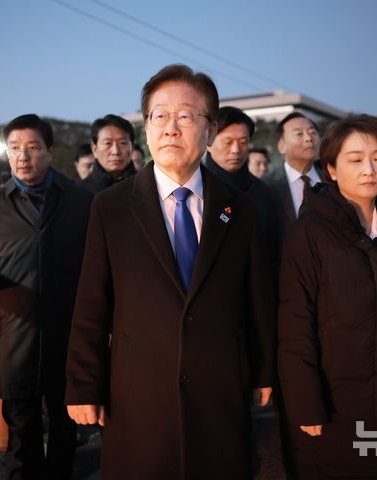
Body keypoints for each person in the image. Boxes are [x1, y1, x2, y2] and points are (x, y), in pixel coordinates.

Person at [65, 64, 275, 480]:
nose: (170, 128)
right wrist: (83, 384)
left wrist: (263, 369)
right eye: (159, 115)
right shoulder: (111, 207)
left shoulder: (239, 208)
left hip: (219, 390)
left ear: (211, 130)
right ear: (146, 126)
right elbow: (92, 302)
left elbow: (256, 297)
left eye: (186, 116)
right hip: (138, 392)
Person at [278, 115, 377, 479]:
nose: (370, 169)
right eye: (355, 159)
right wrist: (305, 403)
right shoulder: (310, 233)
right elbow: (295, 324)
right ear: (331, 169)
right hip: (340, 400)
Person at [0, 114, 92, 479]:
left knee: (65, 432)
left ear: (49, 151)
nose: (23, 156)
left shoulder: (80, 201)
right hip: (14, 335)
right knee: (21, 438)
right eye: (14, 148)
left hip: (68, 335)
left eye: (32, 147)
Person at [205, 106, 280, 273]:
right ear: (208, 142)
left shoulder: (264, 193)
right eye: (228, 142)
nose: (236, 150)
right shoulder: (195, 189)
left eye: (243, 142)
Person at [264, 112, 325, 241]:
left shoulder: (334, 181)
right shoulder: (266, 186)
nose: (308, 138)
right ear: (281, 146)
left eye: (313, 132)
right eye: (299, 134)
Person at [81, 114, 136, 194]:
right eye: (107, 143)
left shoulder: (148, 187)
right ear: (94, 149)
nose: (115, 151)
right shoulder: (80, 193)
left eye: (122, 143)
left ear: (132, 148)